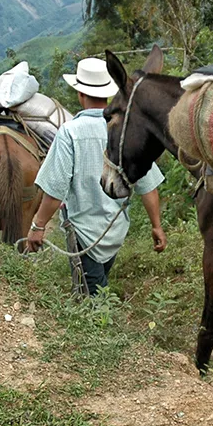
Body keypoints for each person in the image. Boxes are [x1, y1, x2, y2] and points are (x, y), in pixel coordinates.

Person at [24, 57, 167, 294]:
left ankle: (100, 327)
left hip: (83, 233)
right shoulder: (126, 132)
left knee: (92, 298)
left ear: (80, 94)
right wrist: (156, 226)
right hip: (115, 231)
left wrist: (38, 226)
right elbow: (148, 186)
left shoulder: (69, 133)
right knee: (96, 286)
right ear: (108, 94)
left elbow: (55, 189)